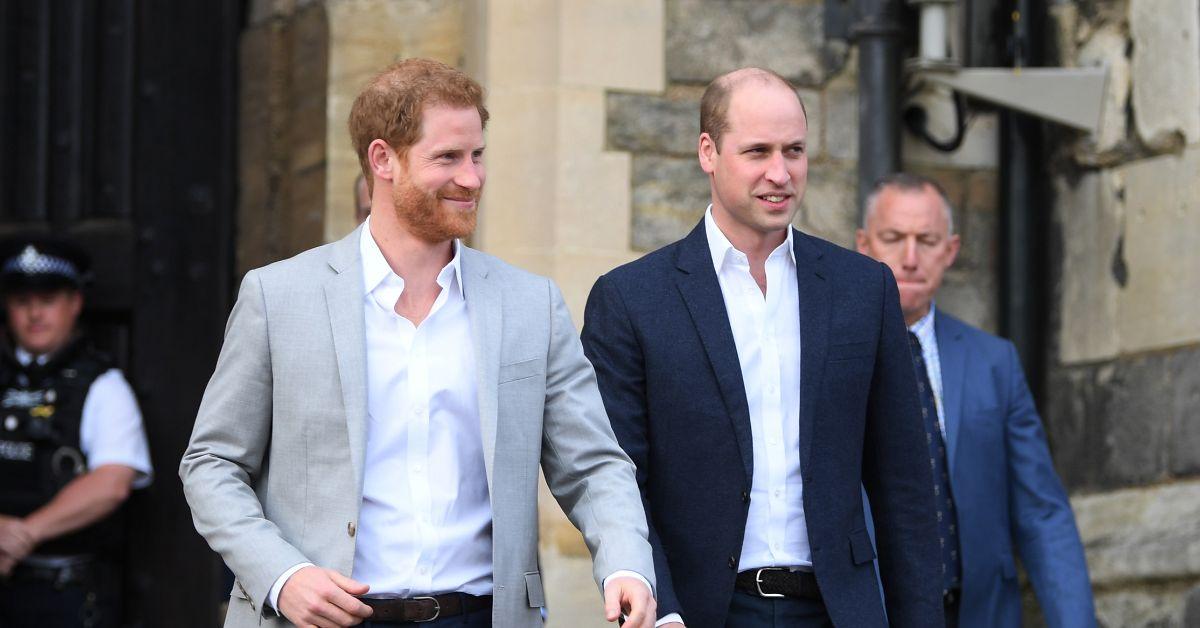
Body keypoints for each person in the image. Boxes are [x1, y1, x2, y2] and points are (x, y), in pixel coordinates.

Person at [180, 58, 656, 628]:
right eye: (447, 158)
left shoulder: (531, 304)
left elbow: (594, 464)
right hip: (319, 620)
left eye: (477, 155)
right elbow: (211, 463)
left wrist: (626, 564)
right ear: (383, 159)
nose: (472, 177)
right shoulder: (278, 296)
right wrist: (282, 576)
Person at [581, 67, 943, 628]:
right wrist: (665, 609)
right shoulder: (631, 300)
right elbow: (618, 479)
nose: (781, 173)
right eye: (757, 151)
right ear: (708, 151)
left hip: (838, 611)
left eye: (794, 150)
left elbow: (905, 486)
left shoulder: (863, 289)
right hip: (704, 614)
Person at [855, 172, 1097, 628]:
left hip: (979, 612)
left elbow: (1041, 512)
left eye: (926, 240)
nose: (910, 258)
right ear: (864, 245)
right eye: (893, 238)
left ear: (950, 250)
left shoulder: (995, 362)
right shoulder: (831, 356)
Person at [0, 236, 153, 627]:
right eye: (22, 301)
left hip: (64, 591)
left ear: (75, 304)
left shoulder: (102, 385)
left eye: (48, 299)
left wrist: (21, 535)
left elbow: (111, 482)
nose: (35, 313)